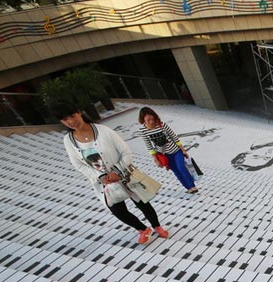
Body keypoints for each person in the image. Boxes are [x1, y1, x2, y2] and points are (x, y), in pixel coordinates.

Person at [55, 105, 168, 245]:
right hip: (104, 183)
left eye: (72, 116)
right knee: (118, 211)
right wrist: (100, 176)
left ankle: (157, 226)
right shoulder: (68, 140)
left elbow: (126, 153)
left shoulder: (103, 131)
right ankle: (143, 229)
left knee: (142, 203)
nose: (71, 121)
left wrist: (117, 171)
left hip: (125, 175)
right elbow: (78, 165)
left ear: (79, 112)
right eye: (65, 119)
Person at [136, 106, 198, 194]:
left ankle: (193, 186)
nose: (151, 122)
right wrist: (156, 159)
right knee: (176, 171)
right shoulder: (143, 130)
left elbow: (174, 137)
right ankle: (188, 188)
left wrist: (183, 150)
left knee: (181, 167)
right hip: (164, 156)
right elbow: (149, 146)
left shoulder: (161, 124)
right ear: (143, 120)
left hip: (176, 151)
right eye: (148, 120)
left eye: (152, 119)